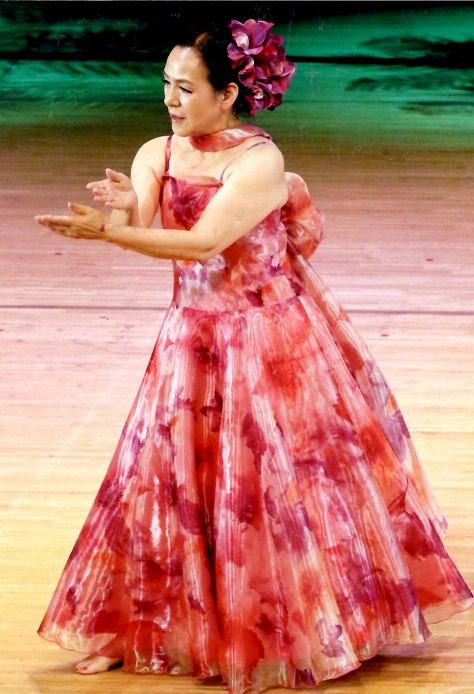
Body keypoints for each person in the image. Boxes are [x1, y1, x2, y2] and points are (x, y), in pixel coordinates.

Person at [35, 18, 472, 694]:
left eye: (186, 88)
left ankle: (303, 629)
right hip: (190, 339)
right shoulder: (158, 151)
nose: (170, 99)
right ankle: (142, 627)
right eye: (166, 84)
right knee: (161, 478)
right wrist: (121, 213)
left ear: (229, 94)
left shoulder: (258, 163)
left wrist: (111, 235)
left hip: (267, 341)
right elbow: (146, 225)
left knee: (277, 489)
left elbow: (203, 243)